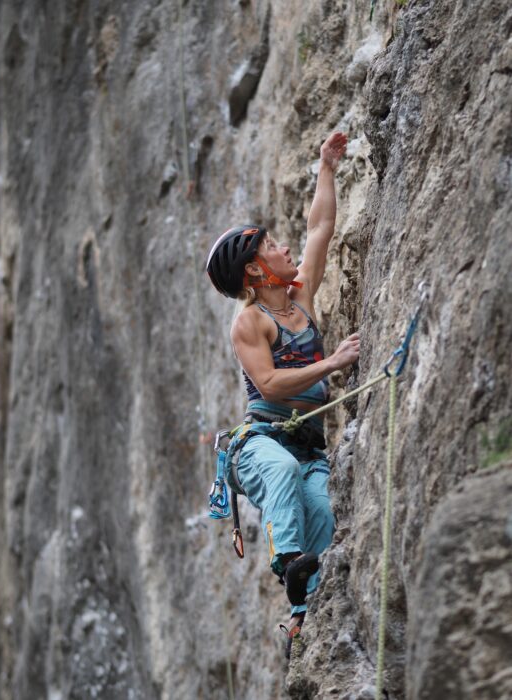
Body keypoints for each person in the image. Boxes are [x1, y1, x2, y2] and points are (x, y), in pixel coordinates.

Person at [206, 132, 360, 657]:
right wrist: (331, 362)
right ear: (254, 269)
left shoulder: (301, 298)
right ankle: (286, 561)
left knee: (323, 512)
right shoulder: (250, 321)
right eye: (273, 245)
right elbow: (268, 384)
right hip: (261, 443)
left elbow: (320, 227)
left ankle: (304, 613)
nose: (286, 247)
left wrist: (327, 168)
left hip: (308, 445)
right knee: (282, 474)